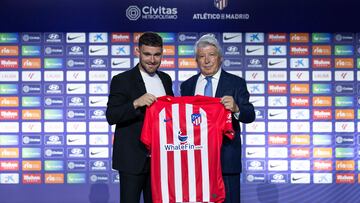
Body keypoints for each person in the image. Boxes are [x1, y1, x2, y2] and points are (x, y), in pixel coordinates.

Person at [180, 34, 255, 203]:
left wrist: (236, 108)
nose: (206, 60)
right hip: (195, 161)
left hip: (226, 160)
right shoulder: (187, 85)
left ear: (220, 58)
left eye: (211, 55)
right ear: (196, 60)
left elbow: (250, 114)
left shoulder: (236, 83)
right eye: (201, 56)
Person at [106, 32, 174, 203]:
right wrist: (135, 103)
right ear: (138, 51)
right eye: (147, 54)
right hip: (132, 159)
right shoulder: (122, 80)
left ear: (162, 53)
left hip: (161, 159)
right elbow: (111, 115)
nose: (152, 60)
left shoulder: (166, 79)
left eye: (157, 55)